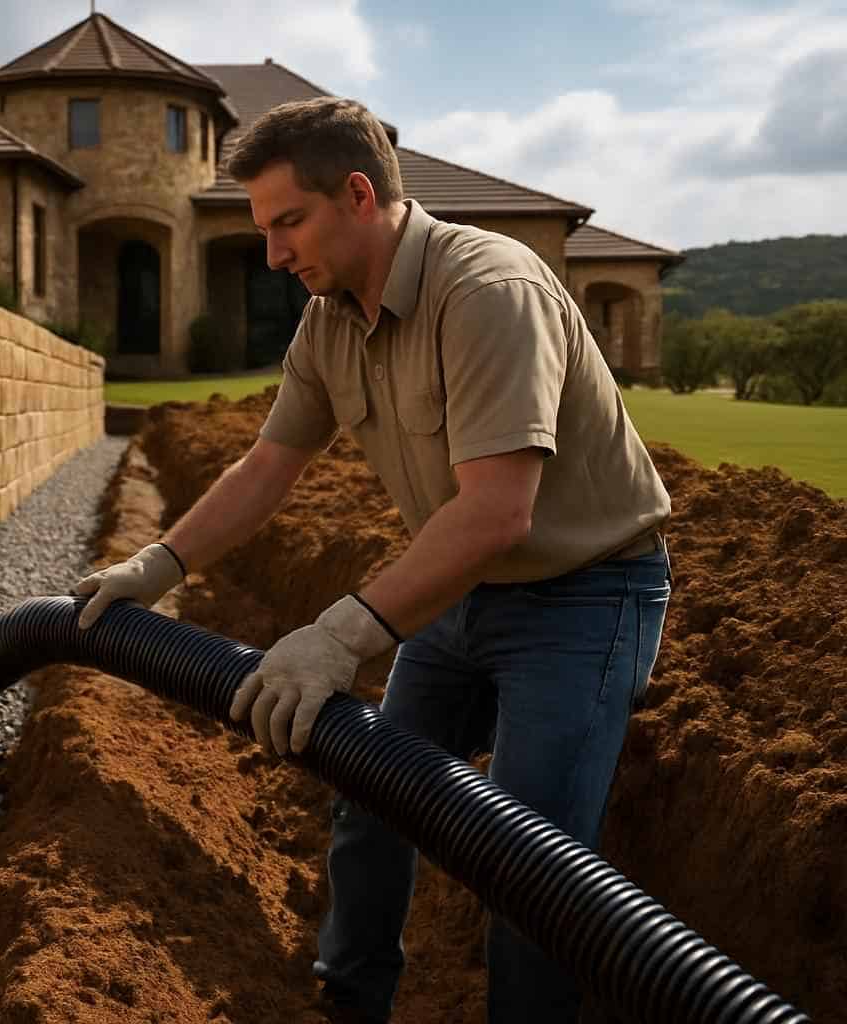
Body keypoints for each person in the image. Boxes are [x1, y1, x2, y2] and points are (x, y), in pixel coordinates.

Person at [72, 97, 673, 1024]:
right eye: (263, 228)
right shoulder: (330, 320)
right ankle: (351, 1005)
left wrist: (337, 635)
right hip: (463, 591)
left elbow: (497, 514)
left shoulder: (487, 291)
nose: (272, 253)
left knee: (532, 863)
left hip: (583, 596)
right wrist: (155, 567)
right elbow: (268, 465)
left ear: (358, 195)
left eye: (287, 223)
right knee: (372, 800)